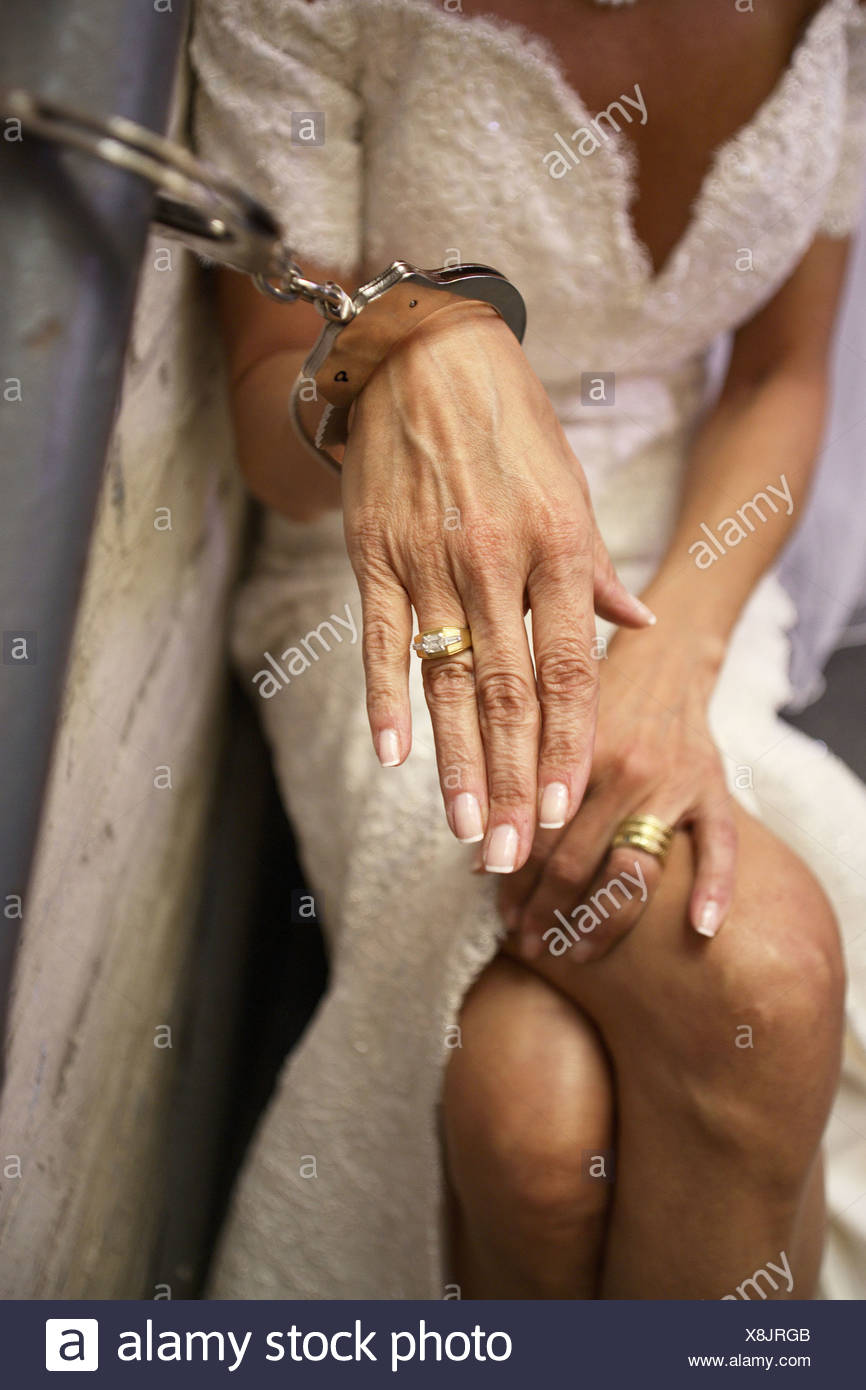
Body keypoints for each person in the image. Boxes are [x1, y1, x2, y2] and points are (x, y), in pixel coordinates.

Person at [191, 0, 866, 1298]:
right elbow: (270, 443)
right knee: (708, 1018)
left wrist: (668, 670)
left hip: (683, 562)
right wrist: (399, 347)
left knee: (552, 1100)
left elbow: (778, 374)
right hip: (394, 569)